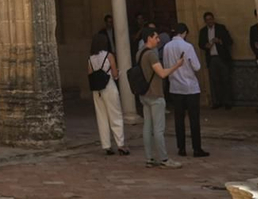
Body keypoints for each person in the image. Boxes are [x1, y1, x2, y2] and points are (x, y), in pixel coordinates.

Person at [137, 26, 184, 168]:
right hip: (155, 94)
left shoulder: (139, 53)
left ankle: (149, 158)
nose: (158, 40)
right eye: (156, 37)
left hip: (144, 94)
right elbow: (162, 73)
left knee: (147, 126)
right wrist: (177, 65)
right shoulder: (151, 54)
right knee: (158, 129)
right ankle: (164, 159)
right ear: (149, 38)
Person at [163, 23, 208, 157]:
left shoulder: (166, 47)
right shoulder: (187, 46)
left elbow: (166, 65)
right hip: (190, 87)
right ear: (184, 33)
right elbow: (197, 66)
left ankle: (181, 147)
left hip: (175, 87)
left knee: (179, 119)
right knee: (194, 119)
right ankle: (196, 148)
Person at [88, 31, 130, 155]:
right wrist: (117, 73)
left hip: (97, 90)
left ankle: (106, 145)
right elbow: (115, 74)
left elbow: (90, 74)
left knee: (102, 116)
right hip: (109, 86)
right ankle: (120, 144)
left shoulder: (90, 58)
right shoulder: (109, 56)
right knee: (115, 114)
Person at [199, 12, 233, 109]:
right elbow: (201, 44)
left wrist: (219, 41)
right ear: (205, 21)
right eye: (207, 20)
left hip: (222, 58)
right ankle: (217, 101)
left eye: (210, 19)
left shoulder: (221, 28)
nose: (209, 21)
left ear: (213, 19)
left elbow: (229, 41)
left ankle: (228, 102)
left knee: (225, 80)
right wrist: (206, 45)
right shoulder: (203, 31)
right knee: (215, 81)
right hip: (212, 58)